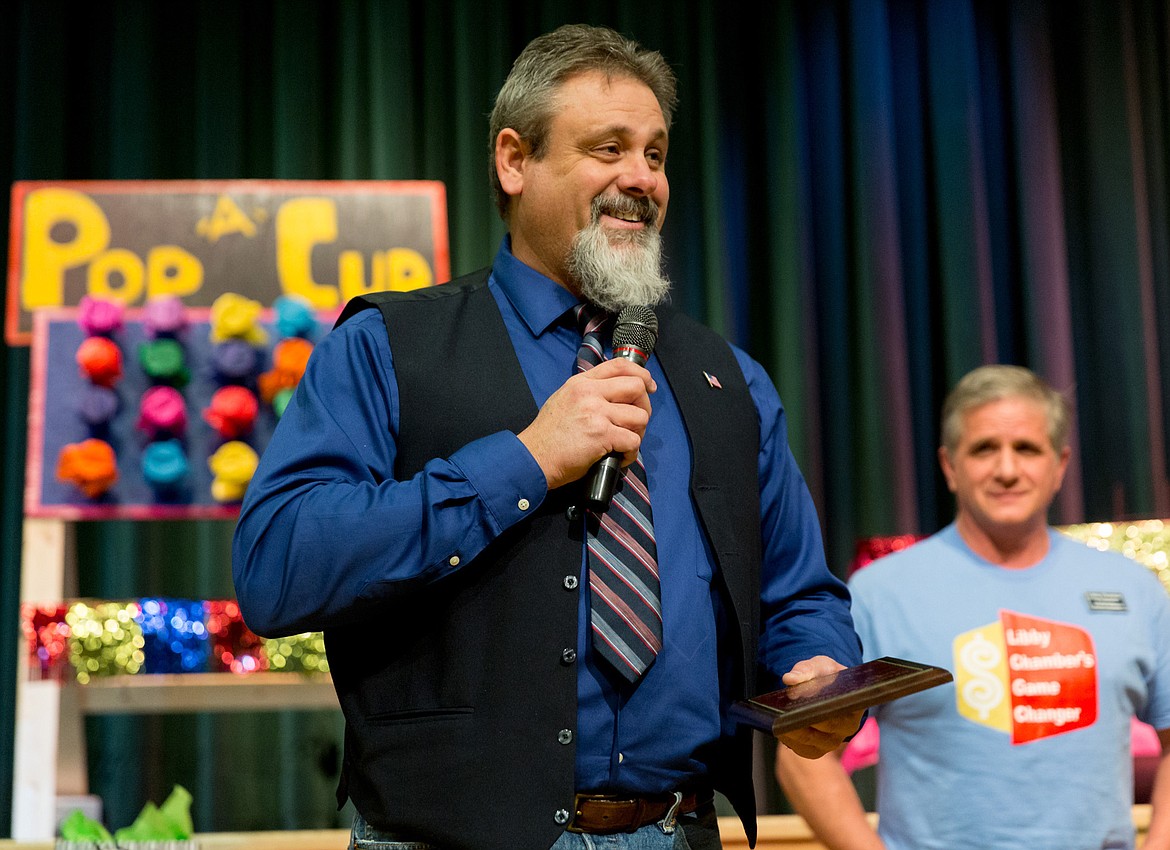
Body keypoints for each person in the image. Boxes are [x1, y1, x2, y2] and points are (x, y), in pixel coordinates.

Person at [233, 23, 862, 850]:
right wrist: (524, 460)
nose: (642, 179)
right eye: (609, 149)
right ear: (513, 160)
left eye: (656, 154)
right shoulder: (388, 346)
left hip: (679, 833)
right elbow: (278, 567)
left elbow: (800, 594)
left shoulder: (729, 381)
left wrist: (817, 670)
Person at [775, 364, 1170, 850]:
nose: (1007, 470)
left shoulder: (1133, 588)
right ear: (949, 466)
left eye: (1026, 448)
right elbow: (802, 758)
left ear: (1060, 465)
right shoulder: (881, 590)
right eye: (985, 449)